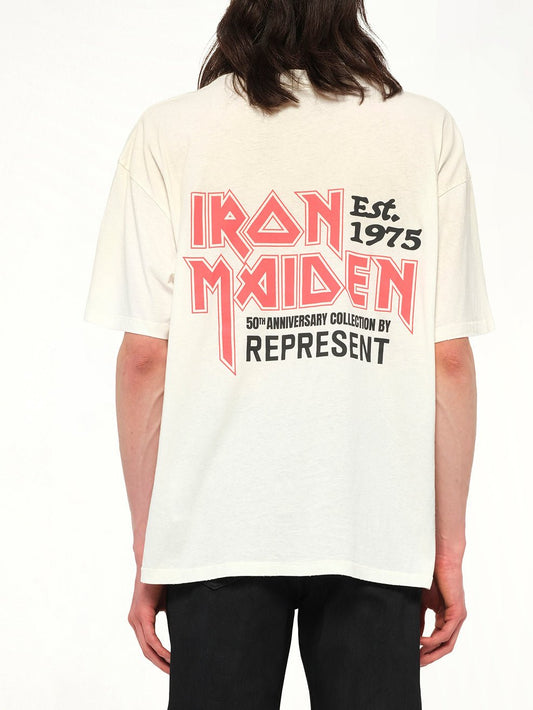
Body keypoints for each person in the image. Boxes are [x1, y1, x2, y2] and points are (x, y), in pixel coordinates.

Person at [83, 1, 495, 708]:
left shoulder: (169, 132)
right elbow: (448, 361)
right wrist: (446, 550)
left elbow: (145, 359)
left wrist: (154, 547)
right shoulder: (423, 131)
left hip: (215, 532)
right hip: (374, 525)